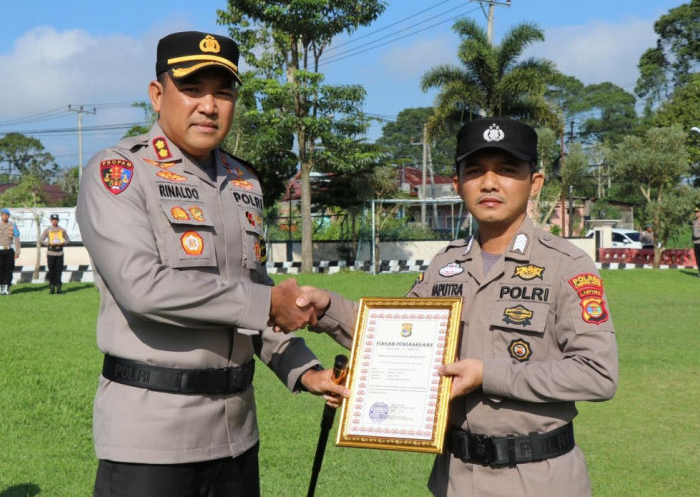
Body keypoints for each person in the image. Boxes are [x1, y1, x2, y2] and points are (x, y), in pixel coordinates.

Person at [76, 30, 346, 497]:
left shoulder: (243, 182)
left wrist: (305, 370)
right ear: (158, 95)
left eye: (223, 92)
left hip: (237, 438)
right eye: (193, 89)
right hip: (151, 440)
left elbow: (252, 289)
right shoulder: (119, 172)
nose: (209, 105)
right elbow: (142, 288)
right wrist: (266, 304)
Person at [291, 117, 619, 496]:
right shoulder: (443, 266)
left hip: (539, 478)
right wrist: (328, 307)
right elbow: (393, 338)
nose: (490, 183)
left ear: (535, 182)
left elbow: (597, 373)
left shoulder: (567, 265)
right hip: (456, 478)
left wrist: (488, 374)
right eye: (475, 171)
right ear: (457, 183)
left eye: (508, 170)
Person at [40, 213, 70, 294]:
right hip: (51, 253)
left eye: (56, 220)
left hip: (59, 253)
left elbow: (67, 240)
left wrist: (62, 243)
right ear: (50, 221)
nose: (55, 221)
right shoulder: (47, 230)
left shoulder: (62, 230)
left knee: (59, 270)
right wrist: (48, 243)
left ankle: (59, 288)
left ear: (58, 220)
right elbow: (41, 240)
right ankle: (52, 287)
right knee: (51, 270)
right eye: (53, 220)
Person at [0, 207, 21, 295]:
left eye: (7, 215)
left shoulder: (12, 225)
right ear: (1, 216)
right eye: (3, 214)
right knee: (0, 270)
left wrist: (17, 251)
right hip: (0, 250)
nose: (5, 216)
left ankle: (7, 287)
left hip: (9, 250)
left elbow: (17, 238)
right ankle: (1, 288)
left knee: (9, 270)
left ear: (9, 216)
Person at [693, 205, 700, 277]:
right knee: (698, 258)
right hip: (696, 242)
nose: (696, 213)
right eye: (695, 211)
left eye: (697, 211)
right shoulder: (694, 221)